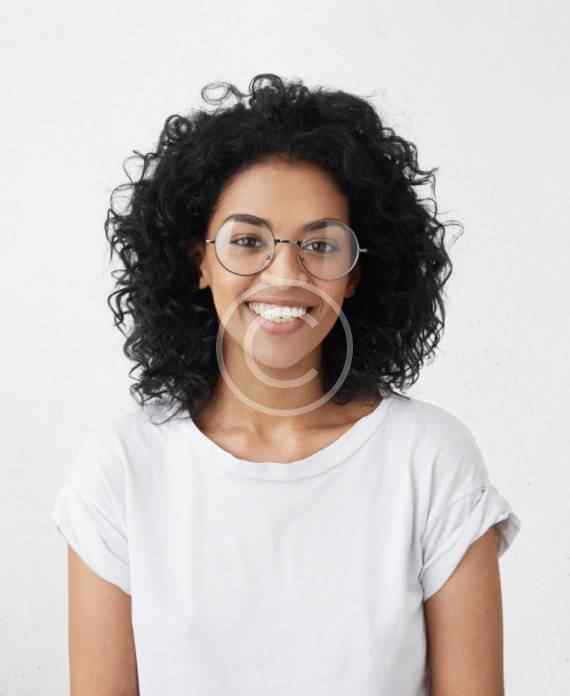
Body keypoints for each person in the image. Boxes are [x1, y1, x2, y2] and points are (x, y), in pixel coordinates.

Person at [52, 73, 521, 695]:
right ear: (198, 260)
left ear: (356, 274)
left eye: (320, 245)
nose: (285, 274)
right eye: (248, 241)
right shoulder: (123, 469)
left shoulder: (430, 460)